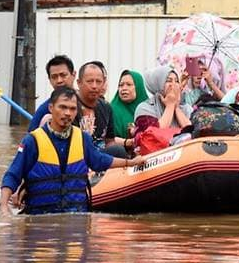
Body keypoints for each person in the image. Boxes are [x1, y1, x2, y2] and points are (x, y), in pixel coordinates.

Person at [0, 87, 145, 216]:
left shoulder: (83, 138)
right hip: (40, 216)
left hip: (77, 215)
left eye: (72, 109)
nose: (67, 113)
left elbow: (100, 160)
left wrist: (130, 162)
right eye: (62, 107)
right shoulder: (32, 141)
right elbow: (13, 174)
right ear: (51, 108)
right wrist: (4, 206)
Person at [76, 61, 126, 158]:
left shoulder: (106, 107)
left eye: (98, 82)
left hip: (101, 158)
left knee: (118, 151)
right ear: (79, 83)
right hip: (77, 158)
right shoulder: (71, 106)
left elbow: (110, 141)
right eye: (90, 81)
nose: (94, 86)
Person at [134, 66, 192, 135]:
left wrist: (175, 107)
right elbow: (154, 135)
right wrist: (170, 106)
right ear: (158, 84)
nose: (173, 84)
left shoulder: (185, 108)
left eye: (176, 81)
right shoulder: (144, 108)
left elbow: (192, 131)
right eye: (168, 81)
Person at [28, 55, 77, 132]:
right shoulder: (44, 110)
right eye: (54, 77)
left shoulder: (87, 101)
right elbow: (30, 139)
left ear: (73, 75)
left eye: (63, 75)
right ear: (49, 79)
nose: (59, 80)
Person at [110, 70, 149, 154]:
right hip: (121, 158)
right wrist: (130, 142)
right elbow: (107, 141)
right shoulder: (112, 109)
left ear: (138, 87)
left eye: (129, 85)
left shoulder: (149, 108)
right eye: (121, 85)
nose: (124, 88)